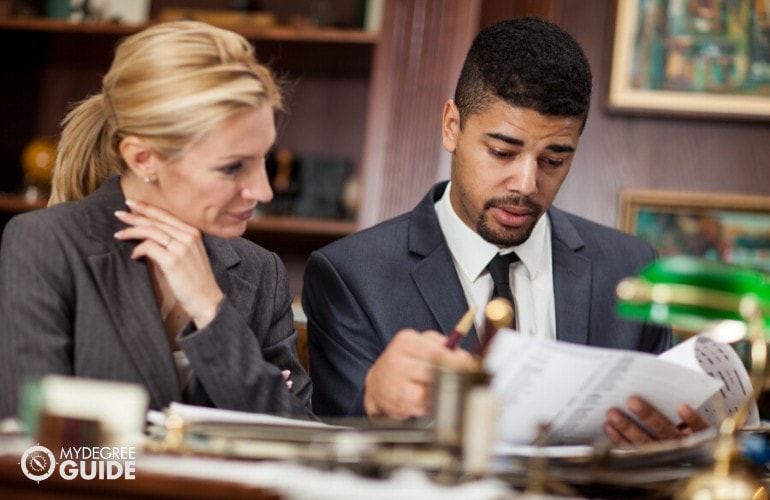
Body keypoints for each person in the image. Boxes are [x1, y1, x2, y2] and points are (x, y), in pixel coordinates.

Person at [302, 16, 708, 444]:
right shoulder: (350, 276)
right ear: (452, 126)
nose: (527, 185)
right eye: (501, 152)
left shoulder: (632, 268)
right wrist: (372, 403)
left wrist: (683, 446)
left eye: (554, 161)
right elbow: (334, 447)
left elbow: (669, 438)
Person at [0, 21, 311, 419]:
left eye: (263, 160)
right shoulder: (46, 243)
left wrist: (210, 308)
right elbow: (39, 452)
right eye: (233, 167)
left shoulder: (260, 271)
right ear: (143, 158)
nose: (264, 191)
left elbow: (298, 435)